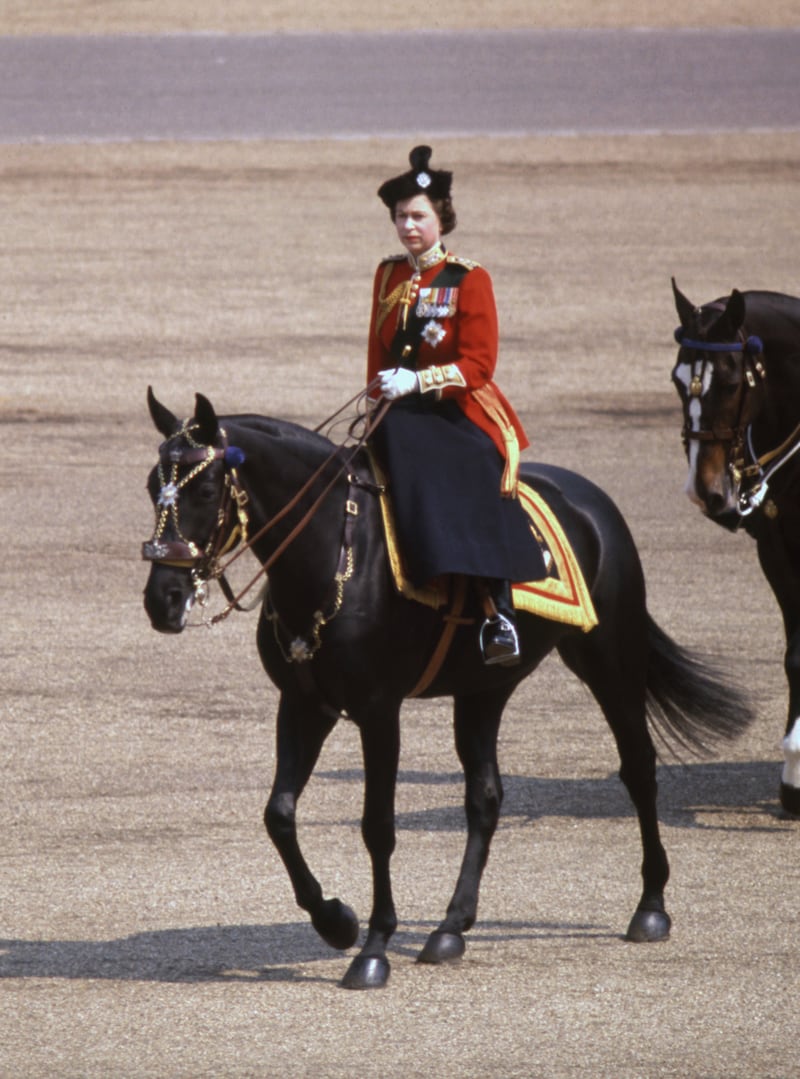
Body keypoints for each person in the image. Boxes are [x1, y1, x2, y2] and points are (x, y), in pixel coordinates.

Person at [366, 145, 545, 666]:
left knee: (464, 472)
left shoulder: (468, 279)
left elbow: (478, 365)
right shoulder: (388, 275)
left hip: (459, 408)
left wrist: (417, 381)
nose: (408, 226)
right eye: (401, 217)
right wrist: (378, 397)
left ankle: (498, 611)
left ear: (441, 217)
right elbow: (377, 355)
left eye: (418, 215)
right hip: (396, 407)